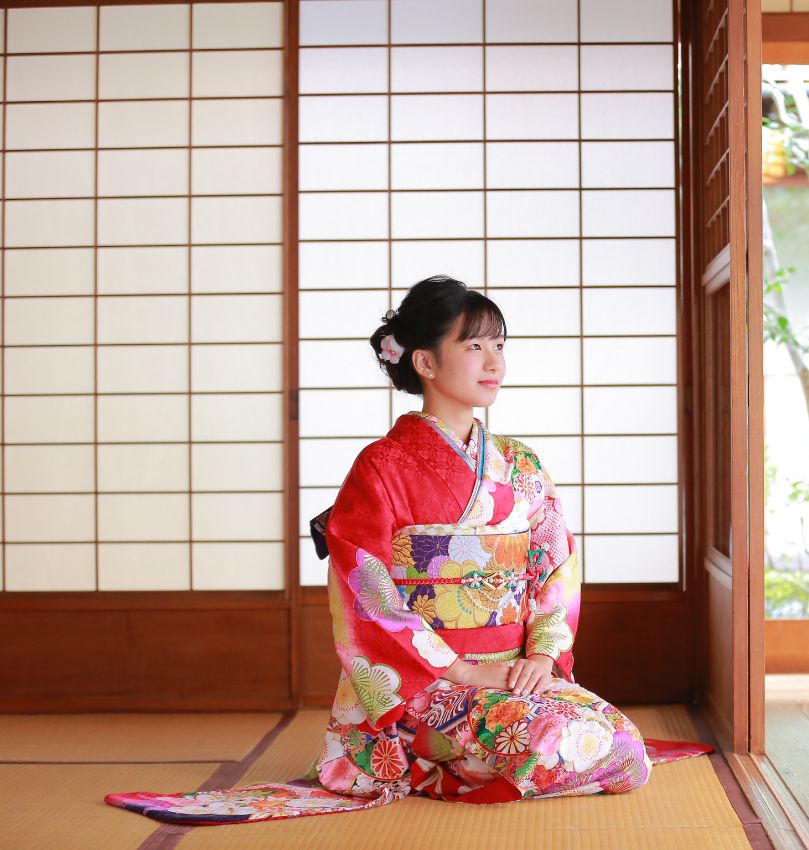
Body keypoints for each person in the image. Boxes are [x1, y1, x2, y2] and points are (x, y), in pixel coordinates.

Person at [106, 276, 707, 825]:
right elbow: (363, 588)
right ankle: (424, 761)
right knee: (568, 743)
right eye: (474, 346)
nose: (494, 360)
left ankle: (460, 766)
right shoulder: (380, 466)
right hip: (426, 682)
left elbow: (554, 566)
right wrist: (464, 669)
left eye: (499, 344)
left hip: (515, 675)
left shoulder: (521, 464)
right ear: (425, 361)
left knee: (625, 749)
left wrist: (542, 659)